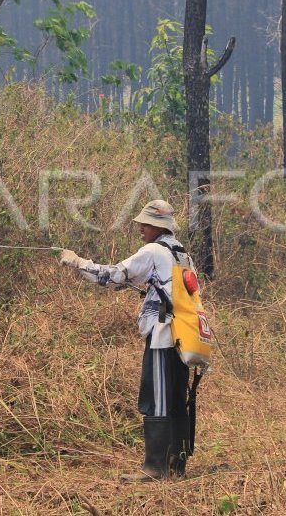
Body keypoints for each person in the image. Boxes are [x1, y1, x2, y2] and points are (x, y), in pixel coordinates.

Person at [58, 200, 193, 482]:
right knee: (176, 398)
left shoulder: (153, 250)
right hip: (183, 339)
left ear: (158, 226)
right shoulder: (180, 252)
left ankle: (155, 469)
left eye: (145, 224)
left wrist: (77, 262)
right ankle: (176, 467)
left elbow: (113, 276)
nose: (141, 228)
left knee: (156, 400)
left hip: (162, 336)